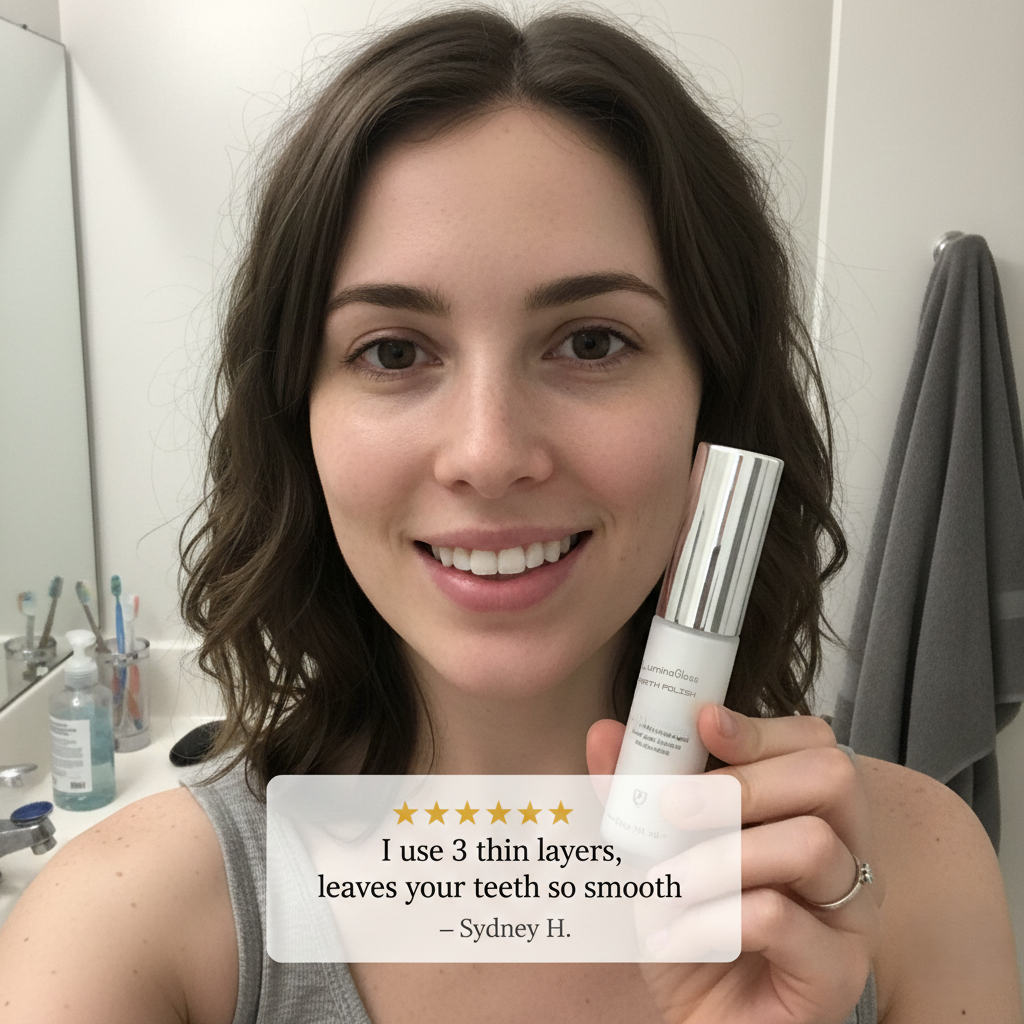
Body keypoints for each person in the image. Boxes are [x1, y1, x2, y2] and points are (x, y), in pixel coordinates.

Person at [1, 8, 1020, 1023]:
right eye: (393, 351)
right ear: (295, 420)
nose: (488, 455)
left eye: (591, 342)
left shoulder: (916, 875)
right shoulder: (117, 932)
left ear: (711, 408)